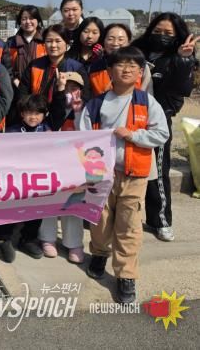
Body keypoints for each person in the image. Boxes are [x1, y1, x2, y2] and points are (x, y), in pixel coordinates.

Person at [80, 46, 169, 303]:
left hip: (135, 174)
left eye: (133, 66)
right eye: (121, 64)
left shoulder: (147, 102)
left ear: (140, 72)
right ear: (109, 70)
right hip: (101, 174)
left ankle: (126, 274)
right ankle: (99, 254)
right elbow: (83, 136)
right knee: (100, 220)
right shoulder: (96, 103)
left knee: (129, 225)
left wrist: (133, 135)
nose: (127, 69)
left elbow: (161, 134)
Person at [132, 12, 198, 242]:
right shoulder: (138, 51)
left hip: (157, 122)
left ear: (177, 35)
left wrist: (183, 60)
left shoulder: (179, 57)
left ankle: (160, 220)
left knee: (158, 171)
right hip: (130, 119)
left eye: (168, 33)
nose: (162, 36)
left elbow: (182, 89)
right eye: (158, 31)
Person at [0, 94, 53, 261]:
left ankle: (28, 239)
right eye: (29, 113)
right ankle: (3, 238)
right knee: (11, 209)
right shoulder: (12, 131)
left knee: (36, 210)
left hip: (38, 180)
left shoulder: (48, 131)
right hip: (16, 180)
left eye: (37, 113)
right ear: (22, 114)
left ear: (44, 114)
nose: (33, 117)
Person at [38, 71, 88, 261]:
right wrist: (60, 95)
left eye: (74, 88)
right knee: (50, 199)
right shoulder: (51, 106)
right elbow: (52, 122)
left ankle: (73, 243)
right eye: (66, 88)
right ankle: (47, 239)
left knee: (75, 200)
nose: (70, 92)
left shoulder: (87, 108)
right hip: (53, 160)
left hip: (77, 161)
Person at [17, 24, 89, 106]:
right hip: (36, 111)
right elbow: (22, 93)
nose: (53, 45)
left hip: (66, 112)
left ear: (67, 43)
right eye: (49, 41)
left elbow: (85, 96)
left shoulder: (76, 68)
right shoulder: (34, 65)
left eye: (58, 41)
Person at [88, 23, 153, 97]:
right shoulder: (94, 67)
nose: (115, 43)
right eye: (110, 39)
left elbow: (148, 94)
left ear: (128, 42)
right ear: (104, 41)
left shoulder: (141, 65)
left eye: (121, 39)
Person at [6, 5, 46, 87]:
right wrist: (14, 79)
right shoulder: (11, 42)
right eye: (24, 19)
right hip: (17, 88)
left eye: (31, 18)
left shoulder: (46, 40)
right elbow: (6, 65)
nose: (28, 22)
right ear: (20, 21)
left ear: (38, 20)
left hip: (42, 88)